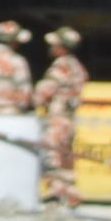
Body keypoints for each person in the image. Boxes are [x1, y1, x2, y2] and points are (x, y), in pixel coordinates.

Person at [37, 30, 94, 199]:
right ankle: (70, 192)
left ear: (62, 47)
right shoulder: (78, 67)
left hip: (57, 118)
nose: (51, 48)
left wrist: (34, 101)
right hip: (70, 119)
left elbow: (44, 92)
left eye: (55, 45)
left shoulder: (61, 66)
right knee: (66, 158)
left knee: (52, 156)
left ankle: (57, 191)